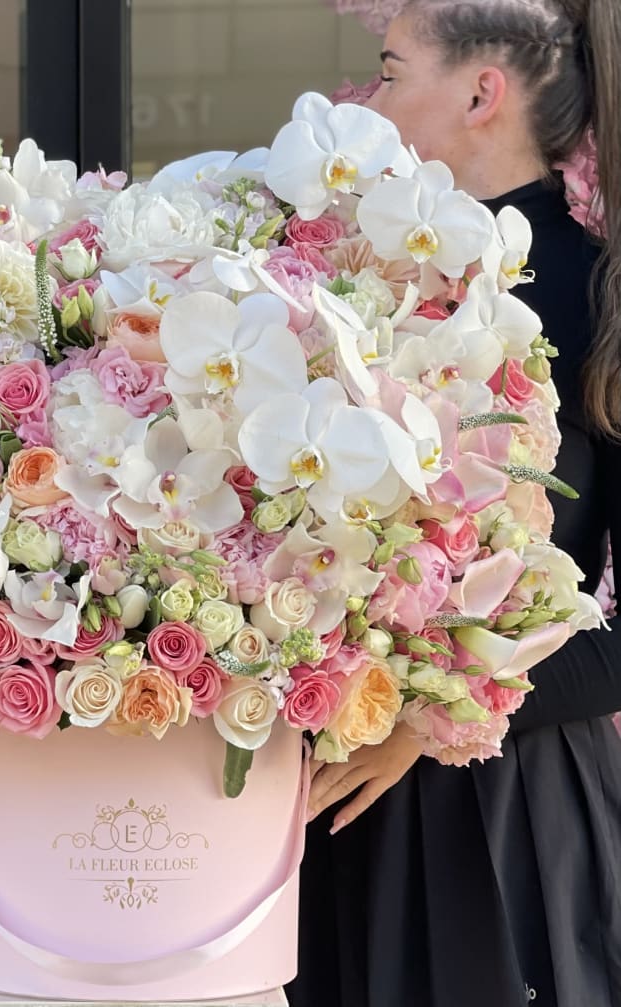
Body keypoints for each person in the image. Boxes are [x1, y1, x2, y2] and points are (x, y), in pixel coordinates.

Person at [286, 1, 621, 1005]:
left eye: (389, 73)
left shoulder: (594, 295)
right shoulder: (357, 289)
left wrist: (428, 718)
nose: (369, 103)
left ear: (481, 92)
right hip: (335, 808)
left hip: (506, 818)